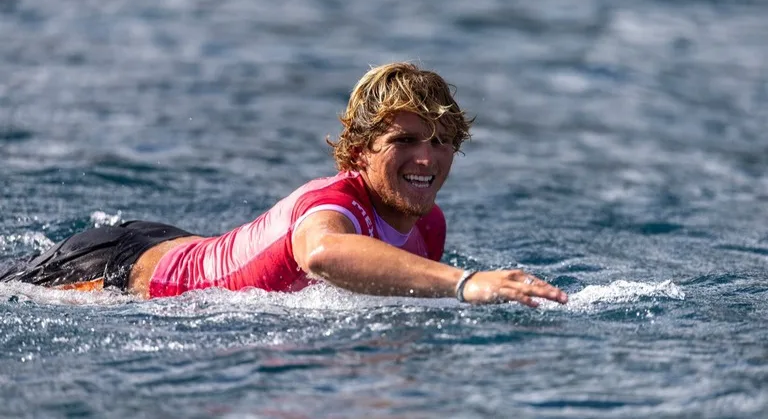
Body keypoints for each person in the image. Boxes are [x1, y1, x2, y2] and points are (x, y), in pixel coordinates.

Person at [0, 62, 568, 307]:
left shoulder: (428, 224)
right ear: (358, 150)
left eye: (442, 140)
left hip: (183, 242)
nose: (427, 158)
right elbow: (321, 253)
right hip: (110, 272)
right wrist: (465, 283)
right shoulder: (331, 207)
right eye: (404, 141)